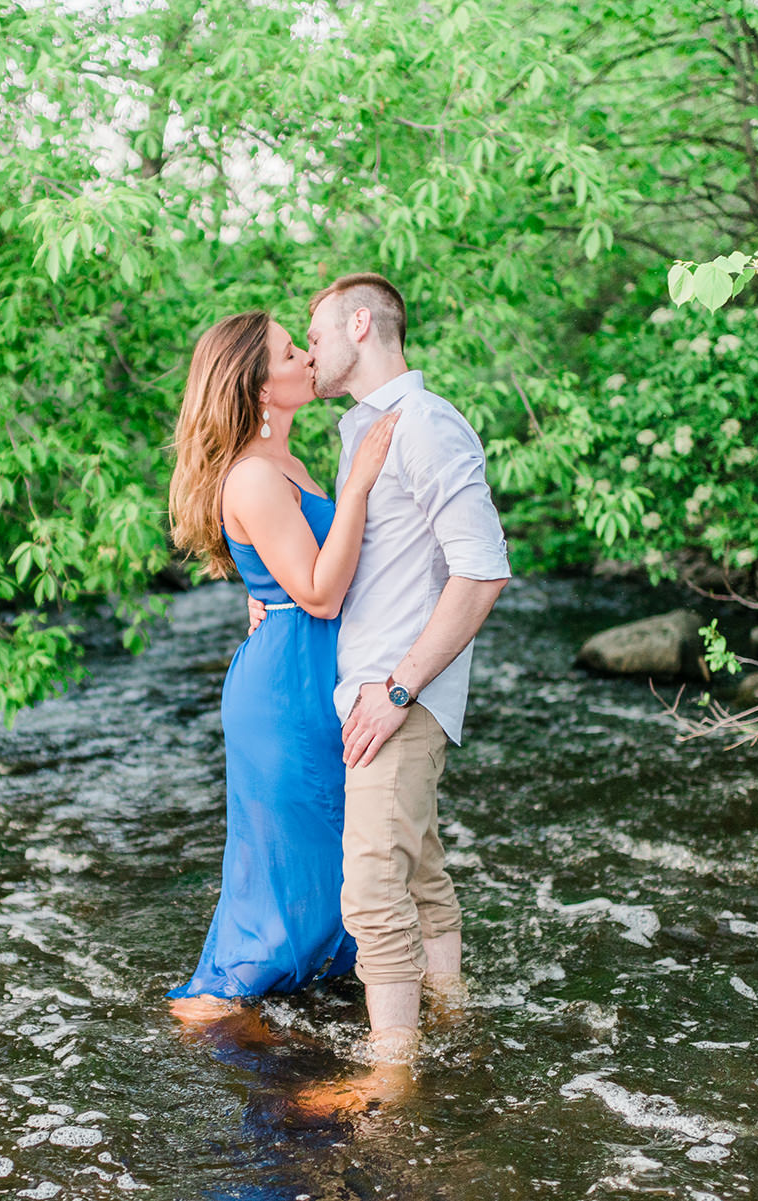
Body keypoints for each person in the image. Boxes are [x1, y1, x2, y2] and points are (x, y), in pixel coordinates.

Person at [274, 273, 511, 1110]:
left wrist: (400, 687)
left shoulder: (426, 425)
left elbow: (482, 572)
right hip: (375, 693)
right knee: (419, 880)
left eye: (317, 333)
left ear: (362, 325)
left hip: (398, 699)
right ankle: (452, 1022)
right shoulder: (364, 433)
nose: (310, 352)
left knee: (371, 891)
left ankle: (391, 1082)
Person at [165, 309, 400, 1023]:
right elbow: (322, 592)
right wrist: (358, 485)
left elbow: (293, 572)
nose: (306, 357)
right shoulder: (254, 477)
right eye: (289, 352)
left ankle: (317, 1000)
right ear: (259, 388)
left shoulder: (289, 462)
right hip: (286, 692)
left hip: (312, 671)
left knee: (333, 853)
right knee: (283, 871)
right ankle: (209, 1011)